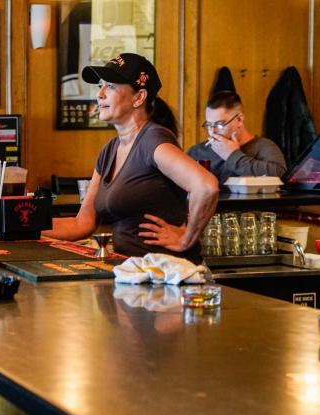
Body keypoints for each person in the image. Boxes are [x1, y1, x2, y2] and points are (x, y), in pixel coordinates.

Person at [43, 53, 219, 262]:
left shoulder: (151, 140)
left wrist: (187, 237)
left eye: (111, 86)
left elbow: (206, 186)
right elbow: (82, 224)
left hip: (167, 275)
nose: (100, 94)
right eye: (100, 85)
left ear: (138, 97)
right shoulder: (109, 151)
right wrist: (19, 229)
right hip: (133, 273)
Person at [186, 90, 287, 184]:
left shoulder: (263, 147)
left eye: (220, 124)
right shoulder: (197, 151)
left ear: (239, 119)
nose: (213, 131)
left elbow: (280, 174)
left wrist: (232, 156)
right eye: (209, 125)